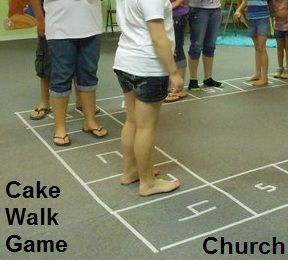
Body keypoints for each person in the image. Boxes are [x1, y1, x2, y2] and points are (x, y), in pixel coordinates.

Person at [114, 0, 182, 196]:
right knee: (146, 126)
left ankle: (131, 171)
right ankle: (148, 183)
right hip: (147, 66)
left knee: (132, 120)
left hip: (125, 61)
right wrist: (173, 72)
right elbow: (158, 37)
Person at [44, 0, 107, 146]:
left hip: (92, 25)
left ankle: (90, 121)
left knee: (89, 74)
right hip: (60, 28)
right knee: (61, 76)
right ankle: (60, 128)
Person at [27, 0, 100, 120]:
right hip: (54, 20)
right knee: (49, 63)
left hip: (85, 21)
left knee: (84, 66)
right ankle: (44, 102)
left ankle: (81, 101)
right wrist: (40, 19)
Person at [187, 0, 223, 90]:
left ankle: (208, 78)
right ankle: (193, 80)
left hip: (216, 8)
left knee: (210, 45)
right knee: (196, 45)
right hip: (198, 9)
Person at [234, 0, 271, 86]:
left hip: (262, 18)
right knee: (257, 47)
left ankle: (264, 77)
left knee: (262, 48)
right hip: (251, 18)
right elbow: (245, 1)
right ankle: (258, 73)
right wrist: (238, 10)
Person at [164, 0, 189, 103]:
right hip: (165, 14)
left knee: (176, 49)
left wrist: (173, 5)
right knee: (167, 49)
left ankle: (179, 89)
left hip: (177, 14)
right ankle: (170, 87)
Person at [270, 0, 288, 79]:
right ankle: (280, 67)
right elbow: (271, 12)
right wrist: (277, 14)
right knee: (279, 47)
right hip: (278, 27)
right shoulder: (272, 1)